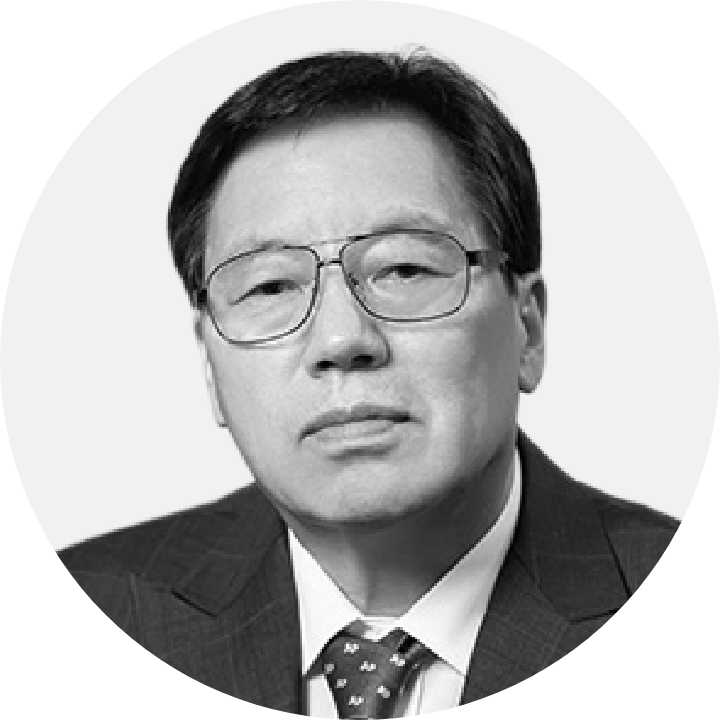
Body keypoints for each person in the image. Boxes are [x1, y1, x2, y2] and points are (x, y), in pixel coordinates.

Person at [58, 48, 679, 713]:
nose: (341, 341)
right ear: (210, 363)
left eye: (404, 270)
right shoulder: (107, 600)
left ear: (527, 327)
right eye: (270, 286)